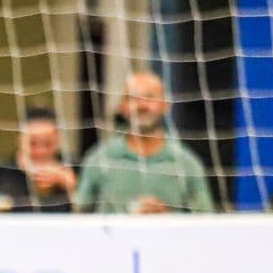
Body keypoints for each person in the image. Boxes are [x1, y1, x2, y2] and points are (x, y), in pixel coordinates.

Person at [75, 72, 216, 214]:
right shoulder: (99, 159)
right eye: (133, 98)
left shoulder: (187, 163)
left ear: (166, 105)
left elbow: (205, 221)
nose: (142, 105)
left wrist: (167, 219)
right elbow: (79, 217)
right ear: (121, 107)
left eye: (150, 97)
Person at [0, 107, 77, 214]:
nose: (41, 151)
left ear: (58, 139)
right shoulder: (2, 172)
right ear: (20, 139)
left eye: (48, 143)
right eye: (33, 143)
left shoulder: (72, 166)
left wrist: (67, 183)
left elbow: (88, 211)